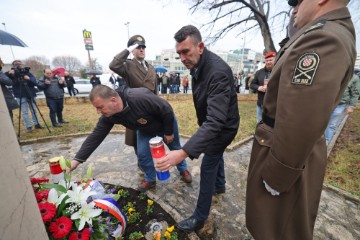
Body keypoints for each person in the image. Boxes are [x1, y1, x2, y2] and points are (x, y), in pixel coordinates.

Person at [245, 0, 356, 239]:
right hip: (282, 148)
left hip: (283, 154)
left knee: (275, 229)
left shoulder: (322, 39)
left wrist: (278, 175)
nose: (294, 10)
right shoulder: (321, 32)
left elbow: (299, 120)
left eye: (299, 1)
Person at [156, 25, 240, 233]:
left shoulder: (218, 72)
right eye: (179, 53)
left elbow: (215, 122)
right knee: (216, 155)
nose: (182, 58)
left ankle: (200, 217)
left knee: (208, 164)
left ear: (200, 46)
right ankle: (220, 185)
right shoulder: (198, 65)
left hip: (223, 128)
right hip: (214, 123)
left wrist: (183, 152)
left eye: (186, 51)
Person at [69, 85, 192, 191]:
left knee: (175, 148)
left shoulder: (139, 97)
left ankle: (183, 170)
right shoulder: (109, 116)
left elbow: (166, 109)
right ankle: (150, 179)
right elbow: (96, 136)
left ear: (113, 100)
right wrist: (77, 160)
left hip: (164, 124)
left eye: (100, 107)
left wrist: (169, 132)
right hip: (144, 129)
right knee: (143, 155)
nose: (98, 111)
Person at [109, 34, 159, 169]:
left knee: (151, 138)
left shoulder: (151, 67)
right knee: (137, 140)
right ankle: (143, 163)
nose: (141, 49)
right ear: (133, 49)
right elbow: (113, 65)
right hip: (135, 109)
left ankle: (149, 162)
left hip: (151, 108)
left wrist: (158, 105)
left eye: (143, 47)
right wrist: (127, 50)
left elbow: (155, 90)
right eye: (138, 47)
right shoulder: (128, 65)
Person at [6, 60, 43, 132]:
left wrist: (28, 79)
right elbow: (6, 82)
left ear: (22, 65)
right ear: (12, 66)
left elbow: (35, 83)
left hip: (30, 93)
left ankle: (37, 124)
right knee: (24, 112)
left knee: (34, 110)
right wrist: (9, 74)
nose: (18, 65)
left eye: (19, 64)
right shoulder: (11, 74)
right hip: (20, 95)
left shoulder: (27, 73)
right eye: (16, 64)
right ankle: (28, 126)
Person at [325, 71, 360, 144]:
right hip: (328, 104)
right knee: (323, 122)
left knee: (332, 124)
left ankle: (326, 141)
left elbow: (355, 93)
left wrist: (351, 106)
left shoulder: (354, 78)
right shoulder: (333, 74)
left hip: (341, 104)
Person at [250, 51, 276, 122]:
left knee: (272, 124)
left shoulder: (279, 72)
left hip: (274, 105)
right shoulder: (259, 72)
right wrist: (258, 88)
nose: (268, 62)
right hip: (261, 104)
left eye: (270, 60)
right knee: (259, 122)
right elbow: (252, 84)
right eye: (267, 60)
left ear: (275, 60)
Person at [0, 58, 19, 123]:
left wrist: (7, 74)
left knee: (8, 117)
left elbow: (9, 82)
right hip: (2, 99)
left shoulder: (1, 73)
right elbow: (8, 82)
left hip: (4, 98)